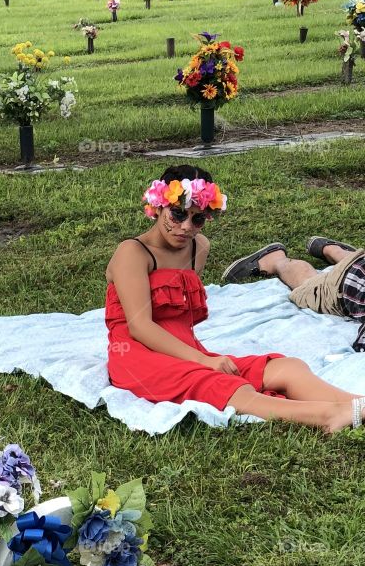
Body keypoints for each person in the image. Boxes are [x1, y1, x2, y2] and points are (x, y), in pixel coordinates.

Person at [105, 167, 364, 431]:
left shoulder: (199, 246)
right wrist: (202, 361)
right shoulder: (133, 252)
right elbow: (140, 326)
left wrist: (200, 358)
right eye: (178, 213)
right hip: (138, 357)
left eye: (198, 219)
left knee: (288, 367)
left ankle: (357, 404)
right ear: (159, 206)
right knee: (225, 386)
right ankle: (327, 416)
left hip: (185, 351)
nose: (186, 226)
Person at [222, 238, 365, 351]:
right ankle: (275, 259)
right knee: (310, 286)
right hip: (344, 282)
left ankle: (333, 250)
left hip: (359, 262)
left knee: (357, 262)